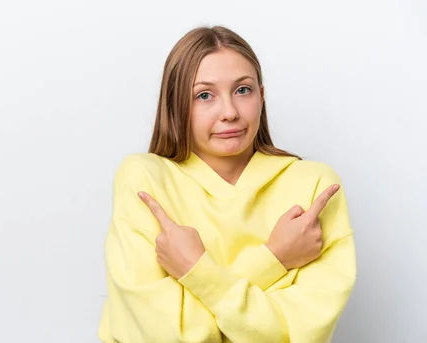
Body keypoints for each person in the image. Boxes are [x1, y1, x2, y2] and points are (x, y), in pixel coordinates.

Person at [98, 25, 357, 343]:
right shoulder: (145, 179)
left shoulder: (314, 186)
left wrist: (193, 272)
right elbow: (162, 336)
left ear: (262, 96)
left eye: (243, 90)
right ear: (176, 104)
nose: (230, 112)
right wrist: (275, 258)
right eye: (204, 95)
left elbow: (297, 336)